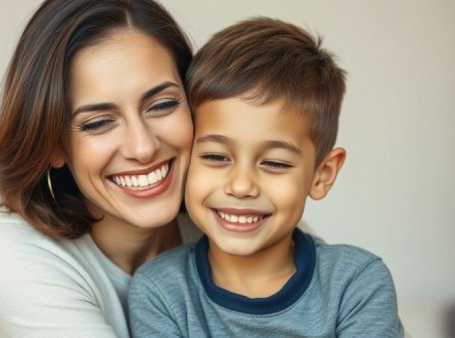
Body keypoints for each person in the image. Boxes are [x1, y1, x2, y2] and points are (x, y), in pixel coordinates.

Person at [128, 17, 404, 337]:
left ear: (321, 175)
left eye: (274, 163)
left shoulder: (356, 283)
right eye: (216, 157)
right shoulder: (161, 293)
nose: (242, 185)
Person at [0, 0, 201, 337]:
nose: (143, 147)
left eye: (162, 105)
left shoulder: (226, 224)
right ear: (53, 146)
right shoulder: (13, 254)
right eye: (99, 123)